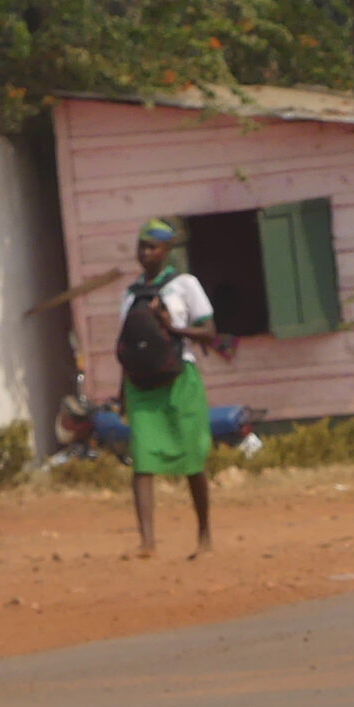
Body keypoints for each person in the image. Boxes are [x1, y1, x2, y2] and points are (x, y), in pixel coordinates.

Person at [119, 218, 228, 558]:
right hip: (141, 386)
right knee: (143, 460)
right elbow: (129, 344)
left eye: (152, 247)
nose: (145, 253)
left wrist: (173, 329)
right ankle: (147, 542)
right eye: (141, 246)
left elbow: (209, 332)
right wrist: (121, 392)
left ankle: (205, 535)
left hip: (180, 379)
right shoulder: (130, 294)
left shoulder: (184, 284)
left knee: (192, 459)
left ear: (166, 251)